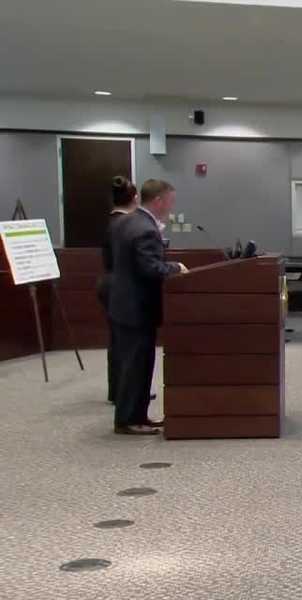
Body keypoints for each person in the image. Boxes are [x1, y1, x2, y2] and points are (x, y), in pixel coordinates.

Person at [107, 179, 188, 435]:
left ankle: (137, 415)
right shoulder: (145, 229)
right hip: (136, 307)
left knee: (135, 364)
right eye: (170, 202)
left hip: (123, 303)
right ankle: (129, 420)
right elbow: (150, 269)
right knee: (136, 365)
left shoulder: (126, 221)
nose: (171, 208)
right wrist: (176, 268)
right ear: (159, 201)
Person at [99, 175, 139, 404]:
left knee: (117, 341)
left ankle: (118, 390)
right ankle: (123, 391)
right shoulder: (125, 225)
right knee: (125, 343)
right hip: (120, 285)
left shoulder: (112, 221)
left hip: (109, 282)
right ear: (134, 199)